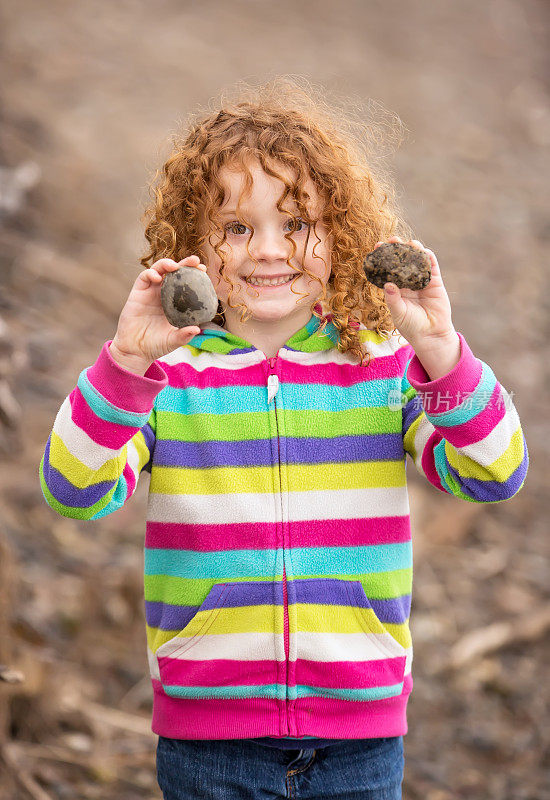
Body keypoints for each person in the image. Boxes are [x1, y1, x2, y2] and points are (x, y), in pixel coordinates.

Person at [39, 77, 528, 800]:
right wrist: (128, 361)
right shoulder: (169, 377)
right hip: (208, 740)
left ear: (342, 235)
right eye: (237, 228)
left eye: (297, 223)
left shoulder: (383, 366)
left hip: (360, 737)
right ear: (193, 244)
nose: (269, 250)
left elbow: (494, 471)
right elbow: (73, 490)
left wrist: (443, 353)